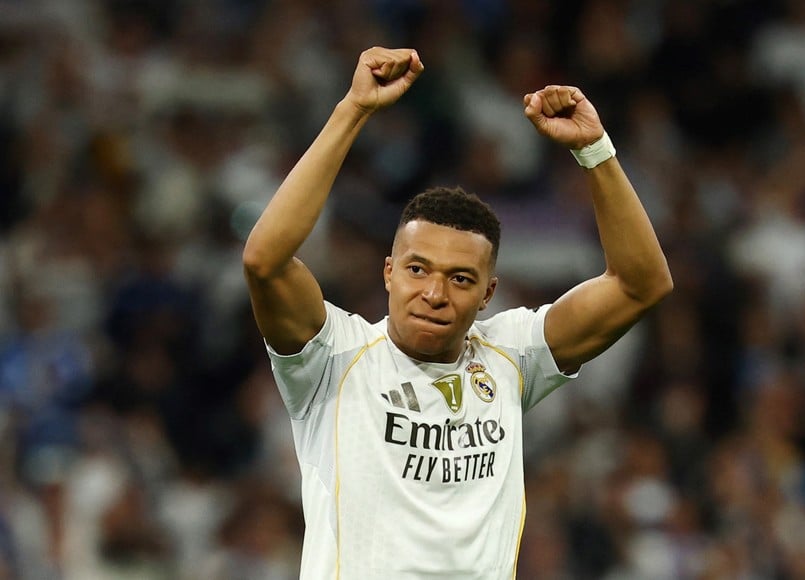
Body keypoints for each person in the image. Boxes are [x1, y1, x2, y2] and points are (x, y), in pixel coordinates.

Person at [243, 46, 672, 579]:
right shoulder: (333, 357)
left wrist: (594, 150)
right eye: (418, 269)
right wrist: (352, 109)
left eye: (460, 279)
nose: (435, 293)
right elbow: (264, 261)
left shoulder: (512, 354)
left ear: (488, 293)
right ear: (388, 272)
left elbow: (641, 284)